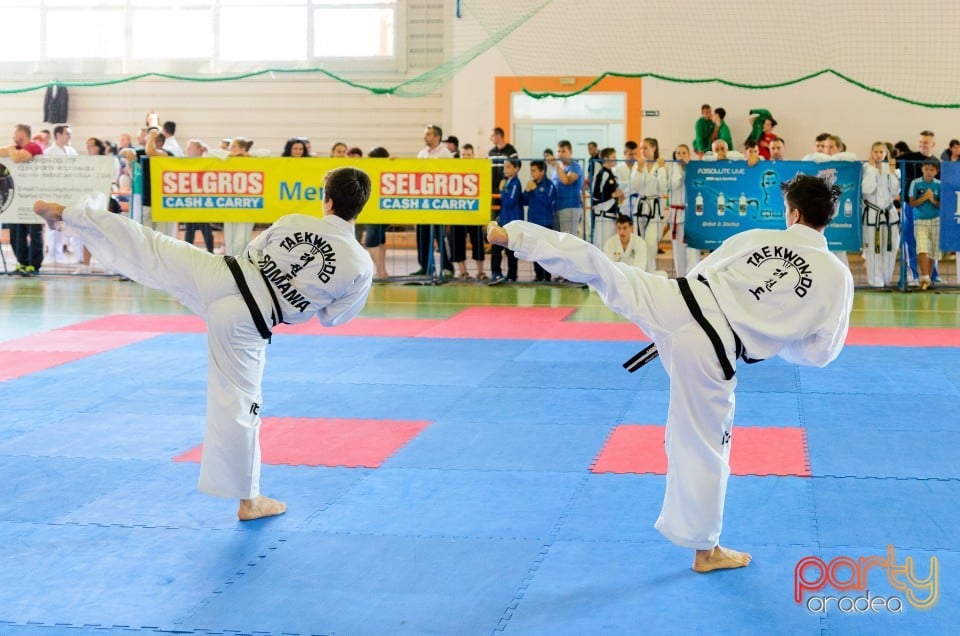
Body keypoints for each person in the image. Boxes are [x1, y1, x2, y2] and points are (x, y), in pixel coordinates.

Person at [487, 173, 853, 572]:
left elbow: (705, 269)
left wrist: (672, 329)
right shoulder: (837, 276)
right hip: (713, 349)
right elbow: (821, 352)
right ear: (825, 220)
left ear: (793, 214)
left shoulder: (755, 238)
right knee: (704, 447)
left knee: (605, 271)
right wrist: (776, 334)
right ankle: (705, 551)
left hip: (677, 299)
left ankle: (517, 236)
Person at [33, 166, 375, 520]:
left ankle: (70, 216)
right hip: (247, 321)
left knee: (152, 246)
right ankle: (249, 500)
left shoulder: (293, 221)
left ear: (327, 200)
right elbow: (333, 318)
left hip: (221, 274)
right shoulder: (360, 264)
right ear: (359, 207)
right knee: (239, 405)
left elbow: (251, 251)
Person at [0, 124, 45, 275]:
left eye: (15, 133)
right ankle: (22, 263)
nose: (13, 137)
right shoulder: (16, 148)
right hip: (18, 198)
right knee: (16, 232)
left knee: (34, 233)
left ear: (22, 134)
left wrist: (11, 149)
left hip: (34, 197)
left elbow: (18, 158)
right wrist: (10, 149)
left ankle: (34, 265)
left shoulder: (35, 147)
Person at [413, 125, 454, 276]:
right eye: (425, 134)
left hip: (438, 201)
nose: (426, 137)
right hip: (423, 201)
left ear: (437, 137)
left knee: (439, 236)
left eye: (429, 134)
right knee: (422, 235)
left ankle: (447, 267)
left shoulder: (445, 153)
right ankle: (426, 267)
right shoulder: (421, 154)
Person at [861, 141, 901, 288]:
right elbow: (867, 189)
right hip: (872, 214)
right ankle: (875, 281)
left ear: (886, 154)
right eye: (875, 152)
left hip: (889, 213)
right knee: (873, 249)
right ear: (871, 153)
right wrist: (872, 171)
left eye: (881, 152)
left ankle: (886, 279)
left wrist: (892, 172)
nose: (878, 155)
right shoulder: (865, 168)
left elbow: (895, 191)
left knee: (890, 248)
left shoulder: (891, 169)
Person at [450, 143, 486, 280]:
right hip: (458, 212)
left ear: (473, 156)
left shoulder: (480, 170)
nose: (466, 157)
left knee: (478, 242)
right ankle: (463, 271)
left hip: (474, 212)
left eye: (469, 155)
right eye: (463, 155)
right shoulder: (455, 171)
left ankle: (480, 271)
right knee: (458, 241)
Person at [908, 157, 941, 290]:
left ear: (936, 171)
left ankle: (928, 279)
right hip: (920, 220)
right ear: (922, 169)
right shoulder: (915, 183)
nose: (928, 172)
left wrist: (932, 200)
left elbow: (942, 205)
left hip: (936, 220)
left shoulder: (939, 184)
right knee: (922, 248)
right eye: (926, 169)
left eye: (931, 170)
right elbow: (912, 203)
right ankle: (925, 276)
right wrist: (924, 198)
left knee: (934, 251)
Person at [668, 144, 700, 276]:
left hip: (692, 215)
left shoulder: (694, 169)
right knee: (678, 250)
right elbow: (673, 185)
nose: (681, 156)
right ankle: (680, 277)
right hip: (677, 214)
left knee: (693, 249)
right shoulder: (673, 169)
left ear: (689, 155)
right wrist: (681, 171)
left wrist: (688, 169)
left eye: (684, 153)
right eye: (678, 153)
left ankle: (694, 276)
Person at [489, 157, 523, 285]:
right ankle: (496, 273)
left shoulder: (515, 183)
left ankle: (512, 275)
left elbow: (509, 202)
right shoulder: (508, 181)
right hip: (505, 221)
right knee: (496, 247)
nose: (505, 170)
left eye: (508, 167)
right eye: (504, 167)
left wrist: (502, 190)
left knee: (511, 250)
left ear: (516, 169)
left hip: (512, 222)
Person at [523, 159, 558, 282]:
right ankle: (538, 275)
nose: (532, 173)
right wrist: (527, 191)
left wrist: (535, 190)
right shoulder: (531, 184)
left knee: (546, 252)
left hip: (545, 223)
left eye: (534, 170)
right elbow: (524, 201)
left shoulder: (550, 185)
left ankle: (546, 276)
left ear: (542, 171)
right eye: (531, 170)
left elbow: (548, 201)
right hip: (533, 223)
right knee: (534, 251)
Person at [364, 146, 392, 279]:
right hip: (384, 211)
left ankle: (380, 271)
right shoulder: (387, 172)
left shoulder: (373, 172)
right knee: (380, 242)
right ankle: (382, 271)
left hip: (375, 211)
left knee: (371, 242)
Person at [590, 147, 623, 249]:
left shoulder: (612, 174)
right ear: (606, 158)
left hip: (611, 216)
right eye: (613, 157)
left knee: (610, 247)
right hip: (603, 217)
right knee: (602, 246)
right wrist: (612, 195)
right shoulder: (602, 174)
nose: (616, 159)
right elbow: (595, 195)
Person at [552, 140, 584, 236]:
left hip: (570, 208)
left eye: (563, 151)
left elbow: (566, 180)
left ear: (570, 152)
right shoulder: (558, 168)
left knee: (568, 240)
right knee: (558, 240)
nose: (560, 154)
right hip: (556, 208)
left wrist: (556, 165)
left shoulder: (575, 167)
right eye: (558, 151)